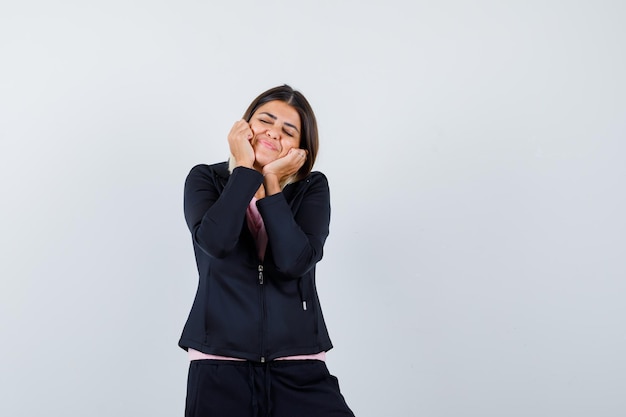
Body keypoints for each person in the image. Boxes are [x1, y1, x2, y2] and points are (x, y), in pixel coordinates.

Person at [179, 85, 355, 417]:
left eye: (288, 131)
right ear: (245, 126)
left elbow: (294, 262)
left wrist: (273, 183)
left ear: (300, 149)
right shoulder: (205, 179)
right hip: (219, 365)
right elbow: (215, 243)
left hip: (299, 366)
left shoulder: (311, 188)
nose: (273, 133)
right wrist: (245, 171)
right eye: (265, 120)